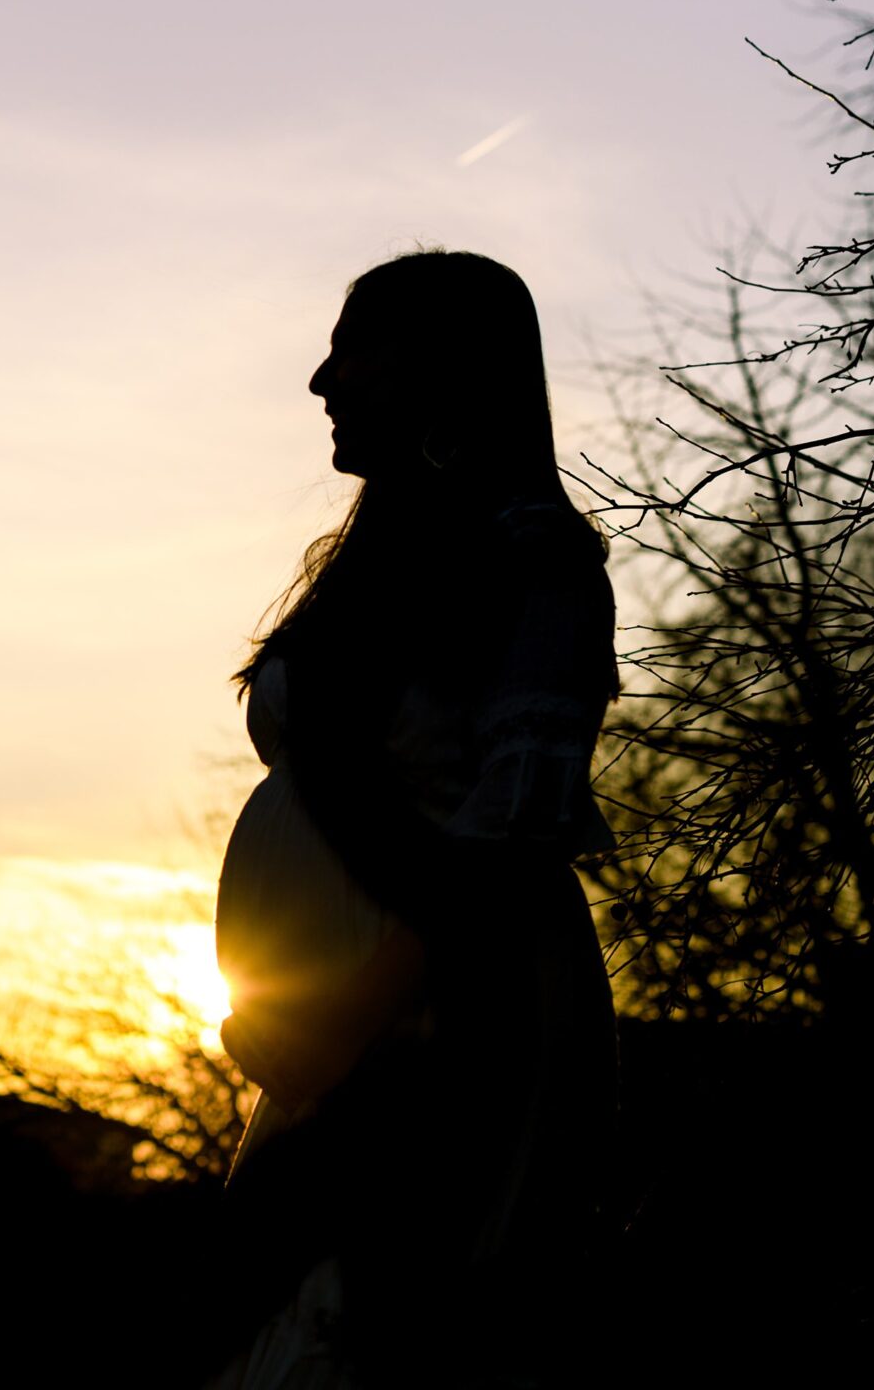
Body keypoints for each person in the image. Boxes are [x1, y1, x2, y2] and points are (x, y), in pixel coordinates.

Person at [209, 249, 618, 1390]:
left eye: (355, 344)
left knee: (366, 1340)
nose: (319, 377)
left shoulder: (528, 562)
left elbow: (512, 838)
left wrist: (347, 1012)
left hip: (440, 1026)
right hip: (345, 1032)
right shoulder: (378, 569)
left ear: (443, 365)